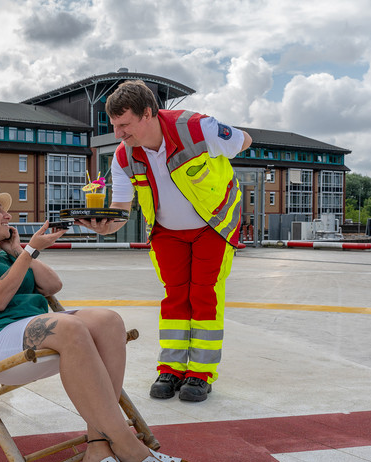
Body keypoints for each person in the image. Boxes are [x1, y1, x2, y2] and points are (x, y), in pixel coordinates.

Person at [0, 186, 193, 462]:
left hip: (32, 328)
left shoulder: (9, 255)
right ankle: (128, 446)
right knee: (71, 327)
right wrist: (30, 251)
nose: (8, 215)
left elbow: (52, 285)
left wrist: (19, 251)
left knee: (108, 321)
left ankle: (98, 449)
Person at [77, 80, 252, 402]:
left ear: (148, 113)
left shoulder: (198, 129)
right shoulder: (124, 156)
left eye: (124, 125)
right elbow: (120, 208)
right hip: (166, 232)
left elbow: (244, 141)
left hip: (211, 227)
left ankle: (200, 373)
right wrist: (104, 228)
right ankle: (171, 368)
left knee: (204, 296)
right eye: (115, 126)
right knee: (175, 298)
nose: (119, 134)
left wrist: (217, 161)